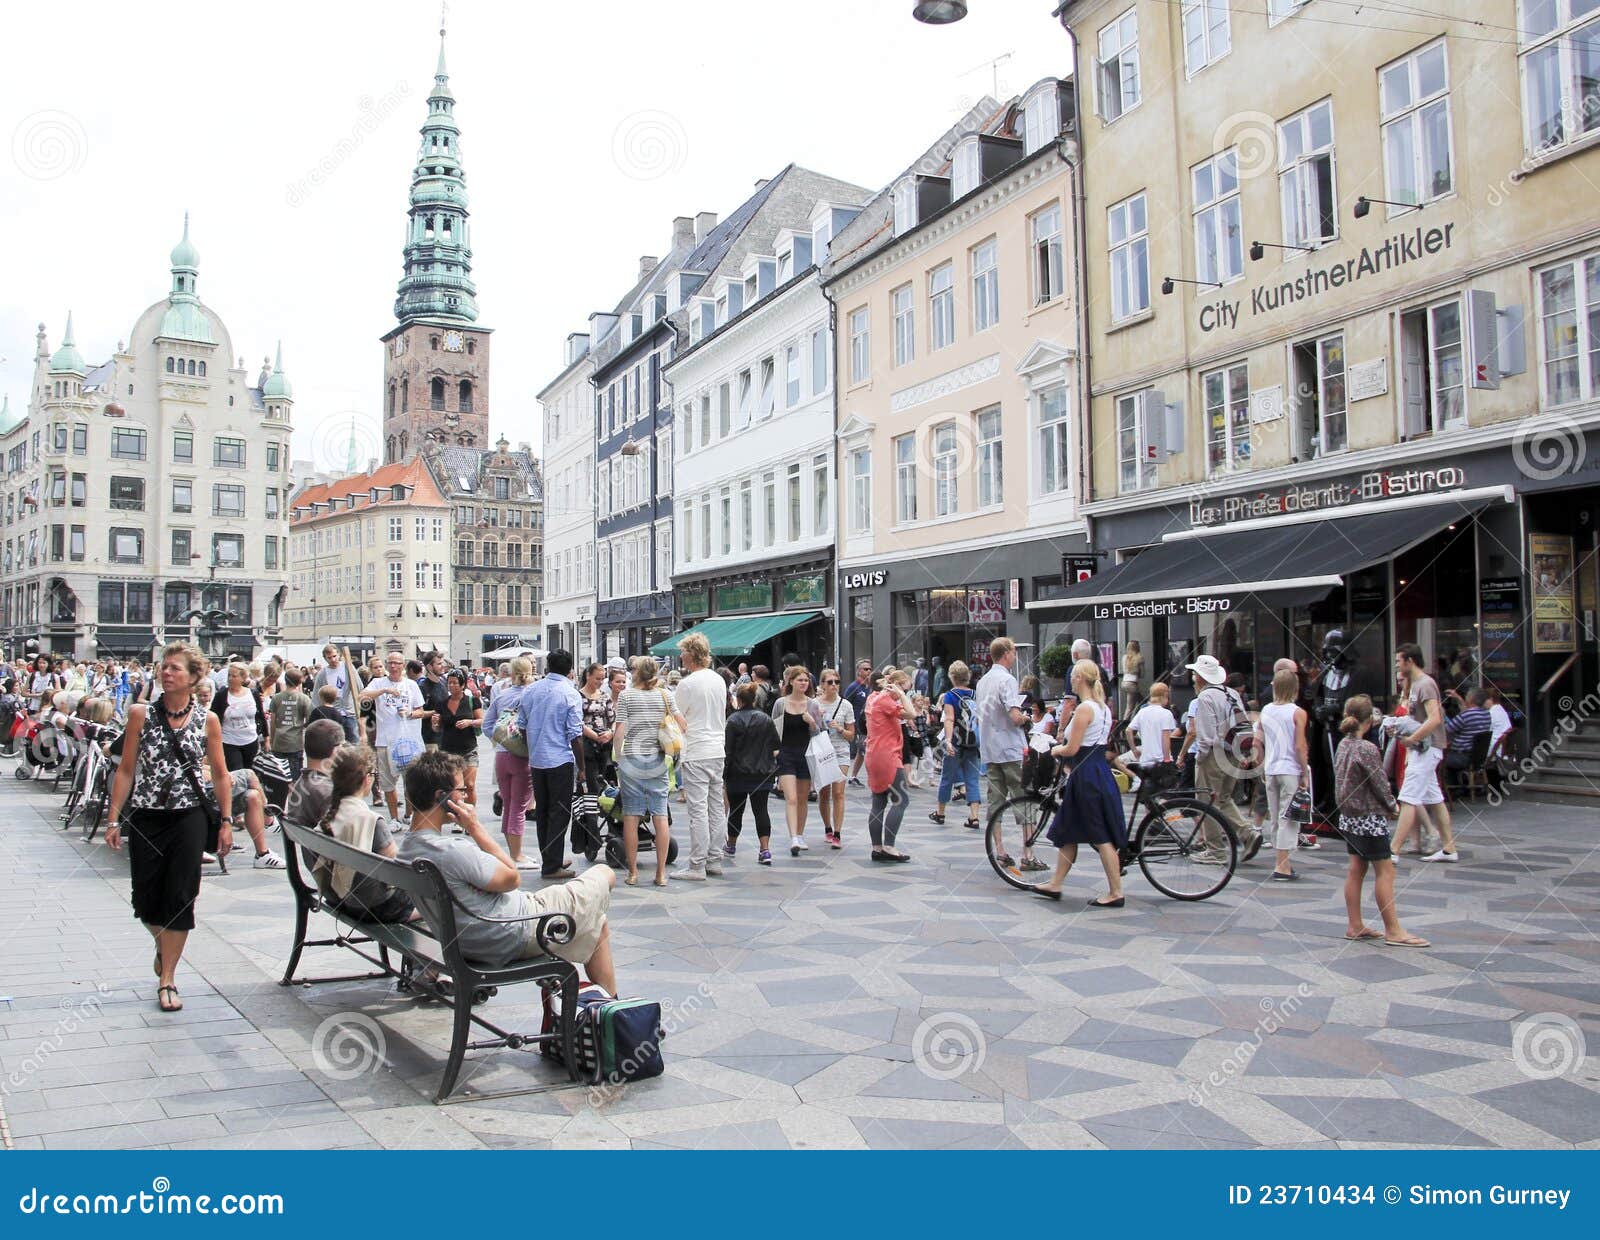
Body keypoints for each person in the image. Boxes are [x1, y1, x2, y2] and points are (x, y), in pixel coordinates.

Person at [396, 752, 617, 988]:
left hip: (473, 937)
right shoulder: (450, 851)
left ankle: (608, 1007)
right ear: (442, 797)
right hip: (513, 930)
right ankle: (611, 1015)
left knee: (596, 921)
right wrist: (475, 827)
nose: (466, 797)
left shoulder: (406, 849)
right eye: (461, 791)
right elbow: (512, 877)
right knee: (605, 873)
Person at [104, 642, 235, 1013]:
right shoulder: (140, 714)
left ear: (194, 678)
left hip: (188, 815)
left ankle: (168, 979)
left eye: (175, 668)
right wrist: (114, 817)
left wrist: (225, 822)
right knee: (146, 900)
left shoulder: (207, 719)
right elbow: (126, 768)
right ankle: (164, 947)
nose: (166, 673)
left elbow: (221, 774)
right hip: (147, 815)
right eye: (164, 667)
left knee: (180, 897)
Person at [1335, 695, 1428, 948]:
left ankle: (1355, 924)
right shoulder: (1367, 748)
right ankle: (1393, 930)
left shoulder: (1343, 744)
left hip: (1349, 816)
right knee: (1385, 871)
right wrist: (1392, 806)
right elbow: (1379, 782)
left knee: (1356, 869)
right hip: (1368, 816)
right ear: (1369, 721)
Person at [1033, 661, 1128, 907]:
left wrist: (1055, 750)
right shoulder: (1103, 708)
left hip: (1085, 774)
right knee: (1068, 831)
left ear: (1079, 679)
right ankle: (1056, 883)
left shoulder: (1085, 709)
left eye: (1073, 678)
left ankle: (1116, 891)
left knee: (1100, 835)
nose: (1071, 682)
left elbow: (1073, 748)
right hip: (1098, 770)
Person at [307, 743, 416, 924]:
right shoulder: (370, 820)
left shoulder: (332, 814)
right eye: (374, 774)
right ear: (367, 779)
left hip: (340, 900)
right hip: (377, 908)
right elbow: (399, 871)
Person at [514, 649, 587, 880]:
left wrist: (532, 748)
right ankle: (552, 864)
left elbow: (522, 725)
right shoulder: (570, 693)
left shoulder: (531, 690)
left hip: (538, 760)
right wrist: (582, 767)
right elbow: (575, 734)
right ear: (570, 670)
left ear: (548, 667)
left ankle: (550, 858)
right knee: (559, 812)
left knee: (543, 811)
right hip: (559, 759)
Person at [1186, 654, 1262, 864]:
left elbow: (1206, 735)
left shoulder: (1205, 698)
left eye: (1194, 674)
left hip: (1214, 755)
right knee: (1223, 798)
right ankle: (1247, 833)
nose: (1193, 678)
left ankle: (1216, 850)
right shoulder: (1230, 693)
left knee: (1207, 802)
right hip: (1234, 752)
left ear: (1200, 677)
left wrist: (1200, 758)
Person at [612, 655, 678, 886]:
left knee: (631, 815)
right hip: (658, 760)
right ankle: (660, 873)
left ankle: (633, 872)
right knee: (660, 815)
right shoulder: (666, 695)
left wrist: (618, 758)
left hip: (631, 758)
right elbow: (681, 724)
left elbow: (620, 730)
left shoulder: (627, 695)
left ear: (637, 672)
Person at [1391, 643, 1459, 863]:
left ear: (1410, 660)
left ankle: (1393, 850)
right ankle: (1449, 849)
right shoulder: (1414, 684)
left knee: (1409, 797)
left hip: (1427, 748)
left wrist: (1413, 738)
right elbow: (1417, 718)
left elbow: (1434, 718)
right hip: (1424, 748)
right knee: (1434, 798)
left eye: (1398, 661)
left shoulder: (1425, 684)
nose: (1396, 666)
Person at [675, 633, 728, 880]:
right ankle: (714, 859)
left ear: (692, 654)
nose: (681, 656)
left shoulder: (687, 684)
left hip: (696, 749)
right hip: (717, 749)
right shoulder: (719, 680)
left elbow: (677, 716)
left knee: (698, 810)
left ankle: (696, 865)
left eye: (683, 652)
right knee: (716, 807)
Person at [976, 637, 1030, 869]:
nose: (1015, 656)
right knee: (1023, 799)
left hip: (990, 748)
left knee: (995, 800)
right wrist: (1026, 718)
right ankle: (1028, 854)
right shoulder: (1007, 680)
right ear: (1006, 653)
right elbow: (1015, 716)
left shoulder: (982, 682)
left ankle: (1000, 850)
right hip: (1010, 748)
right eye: (1014, 652)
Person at [359, 652, 428, 823]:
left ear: (403, 665)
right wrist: (383, 690)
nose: (394, 666)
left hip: (407, 741)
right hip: (385, 740)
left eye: (397, 663)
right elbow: (361, 697)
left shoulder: (411, 685)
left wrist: (410, 713)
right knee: (388, 783)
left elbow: (421, 711)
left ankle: (408, 814)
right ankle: (394, 819)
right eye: (390, 663)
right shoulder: (378, 682)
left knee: (410, 782)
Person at [482, 656, 537, 868]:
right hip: (523, 756)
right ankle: (517, 855)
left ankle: (512, 852)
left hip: (502, 755)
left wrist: (501, 742)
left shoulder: (502, 695)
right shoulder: (532, 695)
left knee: (508, 805)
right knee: (519, 807)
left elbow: (488, 725)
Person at [1256, 668, 1310, 882]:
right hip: (1289, 769)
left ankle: (1283, 862)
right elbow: (1299, 745)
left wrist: (1261, 764)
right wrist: (1304, 771)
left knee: (1276, 814)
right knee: (1289, 817)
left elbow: (1256, 742)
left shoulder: (1265, 711)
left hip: (1271, 768)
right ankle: (1282, 865)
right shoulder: (1297, 713)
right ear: (1295, 688)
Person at [864, 667, 917, 862]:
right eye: (906, 689)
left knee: (878, 801)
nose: (905, 694)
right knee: (901, 800)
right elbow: (911, 714)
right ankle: (889, 846)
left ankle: (877, 847)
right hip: (888, 755)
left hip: (873, 754)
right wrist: (902, 695)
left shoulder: (873, 698)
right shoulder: (886, 700)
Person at [724, 682, 780, 864]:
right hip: (762, 773)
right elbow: (776, 745)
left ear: (738, 700)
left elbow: (728, 750)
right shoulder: (765, 719)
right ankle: (765, 849)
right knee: (761, 811)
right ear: (754, 699)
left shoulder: (732, 720)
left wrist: (724, 774)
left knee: (736, 811)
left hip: (737, 774)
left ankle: (731, 844)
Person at [771, 665, 823, 858]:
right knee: (791, 798)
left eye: (806, 680)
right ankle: (793, 837)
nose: (803, 683)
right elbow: (773, 727)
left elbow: (819, 732)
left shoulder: (813, 705)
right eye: (800, 679)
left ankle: (800, 834)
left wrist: (811, 722)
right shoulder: (780, 703)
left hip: (806, 754)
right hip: (786, 754)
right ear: (790, 681)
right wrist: (775, 750)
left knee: (802, 798)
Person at [930, 660, 983, 831]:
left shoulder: (950, 696)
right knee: (973, 780)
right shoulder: (976, 695)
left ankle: (940, 812)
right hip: (973, 743)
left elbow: (950, 719)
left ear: (952, 677)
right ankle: (974, 817)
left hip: (957, 743)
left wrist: (948, 741)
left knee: (947, 778)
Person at [815, 668, 856, 849]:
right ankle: (828, 828)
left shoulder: (846, 705)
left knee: (838, 792)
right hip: (822, 751)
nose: (833, 685)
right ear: (822, 684)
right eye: (829, 682)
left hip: (840, 751)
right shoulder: (814, 704)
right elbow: (809, 731)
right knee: (824, 793)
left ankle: (838, 833)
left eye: (836, 682)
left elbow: (851, 736)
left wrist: (839, 728)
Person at [437, 669, 483, 803]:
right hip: (449, 750)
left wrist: (470, 722)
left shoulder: (472, 701)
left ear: (462, 685)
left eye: (455, 683)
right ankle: (459, 815)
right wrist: (435, 723)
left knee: (470, 785)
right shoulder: (442, 703)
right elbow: (438, 728)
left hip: (468, 749)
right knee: (457, 786)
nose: (451, 686)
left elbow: (481, 720)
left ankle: (470, 815)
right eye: (449, 683)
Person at [211, 662, 267, 772]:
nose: (230, 678)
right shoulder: (221, 695)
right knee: (237, 773)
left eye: (234, 676)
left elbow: (261, 715)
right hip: (229, 742)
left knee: (250, 773)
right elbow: (213, 718)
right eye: (229, 675)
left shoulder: (253, 694)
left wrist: (266, 738)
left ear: (243, 678)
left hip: (250, 740)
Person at [268, 667, 314, 781]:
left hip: (279, 742)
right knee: (295, 779)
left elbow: (272, 722)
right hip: (295, 743)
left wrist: (271, 740)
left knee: (279, 778)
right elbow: (310, 721)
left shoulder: (276, 698)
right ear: (300, 681)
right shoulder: (304, 699)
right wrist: (301, 726)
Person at [312, 646, 360, 743]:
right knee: (334, 743)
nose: (333, 660)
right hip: (332, 713)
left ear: (339, 655)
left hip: (349, 712)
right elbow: (316, 696)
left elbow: (359, 687)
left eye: (334, 656)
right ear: (325, 658)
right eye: (329, 658)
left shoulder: (348, 668)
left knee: (353, 742)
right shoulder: (322, 674)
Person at [1126, 681, 1177, 770]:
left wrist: (1134, 750)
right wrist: (1167, 759)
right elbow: (1165, 737)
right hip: (1161, 760)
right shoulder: (1166, 713)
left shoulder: (1142, 712)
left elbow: (1128, 730)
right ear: (1165, 696)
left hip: (1145, 760)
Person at [843, 659, 873, 786]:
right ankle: (872, 778)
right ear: (858, 671)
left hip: (868, 724)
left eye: (870, 669)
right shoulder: (854, 687)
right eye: (865, 669)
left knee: (861, 752)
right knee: (864, 751)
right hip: (857, 724)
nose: (868, 671)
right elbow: (845, 704)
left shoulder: (869, 688)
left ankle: (853, 776)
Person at [418, 651, 451, 752]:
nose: (442, 666)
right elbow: (419, 713)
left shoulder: (443, 681)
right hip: (430, 740)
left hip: (445, 737)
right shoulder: (422, 687)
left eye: (442, 663)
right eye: (439, 664)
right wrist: (437, 711)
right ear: (429, 667)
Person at [1120, 640, 1145, 720]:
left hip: (1124, 683)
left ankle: (1132, 721)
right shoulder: (1139, 658)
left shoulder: (1124, 657)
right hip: (1132, 684)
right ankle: (1125, 726)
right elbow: (1142, 674)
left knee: (1137, 702)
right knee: (1131, 706)